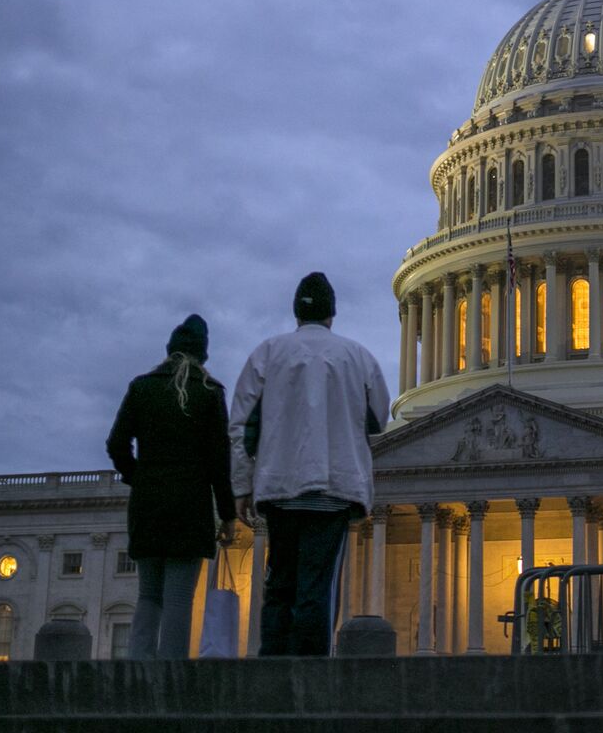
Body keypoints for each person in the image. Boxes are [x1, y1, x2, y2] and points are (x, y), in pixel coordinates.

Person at [228, 272, 391, 656]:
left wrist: (241, 485)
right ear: (332, 314)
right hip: (334, 489)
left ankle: (273, 676)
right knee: (317, 590)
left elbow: (239, 426)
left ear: (296, 314)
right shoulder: (358, 357)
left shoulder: (267, 352)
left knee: (279, 586)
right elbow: (379, 418)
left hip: (280, 488)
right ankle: (311, 681)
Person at [106, 315, 237, 658]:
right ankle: (171, 679)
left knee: (148, 594)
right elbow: (219, 463)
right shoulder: (209, 392)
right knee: (179, 598)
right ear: (202, 354)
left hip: (147, 503)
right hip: (190, 506)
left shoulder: (141, 387)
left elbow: (116, 444)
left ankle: (135, 676)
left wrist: (139, 476)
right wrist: (227, 515)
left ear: (171, 349)